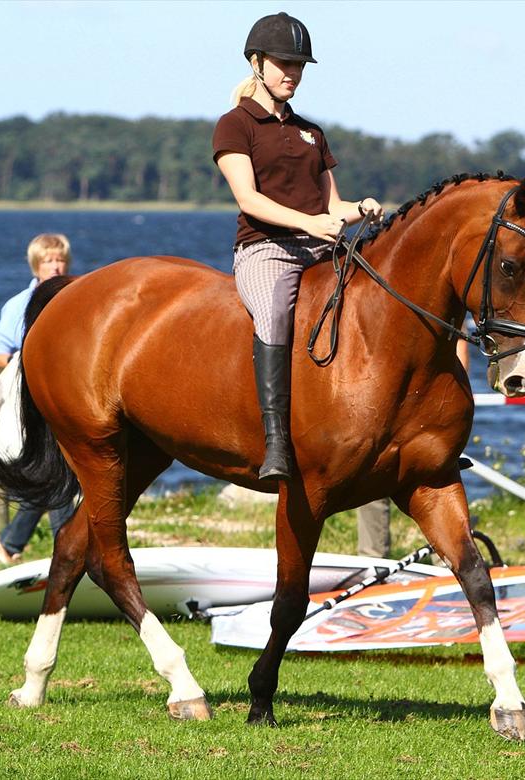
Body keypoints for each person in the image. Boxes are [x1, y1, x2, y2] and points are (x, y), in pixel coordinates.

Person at [212, 11, 384, 481]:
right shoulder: (235, 125)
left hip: (319, 247)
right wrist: (312, 222)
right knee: (273, 313)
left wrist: (361, 207)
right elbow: (249, 199)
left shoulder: (312, 132)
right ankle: (276, 443)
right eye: (283, 63)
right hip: (266, 249)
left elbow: (333, 206)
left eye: (299, 65)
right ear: (257, 63)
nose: (292, 73)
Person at [0, 233, 74, 565]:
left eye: (60, 260)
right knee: (57, 472)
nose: (55, 266)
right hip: (34, 396)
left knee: (56, 474)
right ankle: (61, 549)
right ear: (36, 265)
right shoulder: (20, 304)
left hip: (67, 393)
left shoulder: (77, 297)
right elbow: (0, 353)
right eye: (48, 260)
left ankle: (14, 544)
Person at [357, 337, 470, 558]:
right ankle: (373, 559)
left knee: (438, 482)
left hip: (421, 406)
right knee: (376, 477)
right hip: (387, 399)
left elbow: (460, 344)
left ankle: (450, 558)